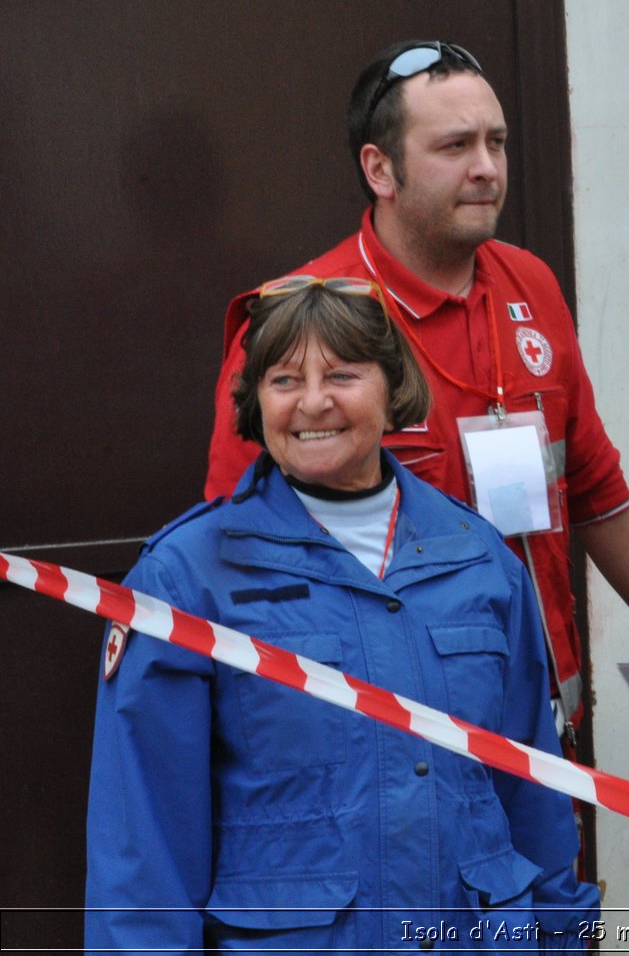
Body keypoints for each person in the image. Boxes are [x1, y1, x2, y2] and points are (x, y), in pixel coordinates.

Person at [204, 41, 629, 738]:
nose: (487, 168)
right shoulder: (303, 321)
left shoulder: (531, 283)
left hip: (543, 727)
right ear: (379, 168)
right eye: (455, 146)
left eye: (497, 142)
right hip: (393, 733)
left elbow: (593, 481)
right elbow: (237, 540)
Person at [87, 279, 598, 952]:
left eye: (342, 374)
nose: (312, 401)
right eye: (284, 378)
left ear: (393, 387)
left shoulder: (481, 561)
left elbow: (534, 798)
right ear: (255, 401)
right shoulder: (186, 577)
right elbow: (140, 846)